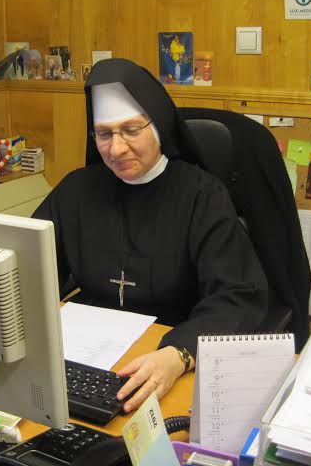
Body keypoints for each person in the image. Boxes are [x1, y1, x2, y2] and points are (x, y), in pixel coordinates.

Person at [32, 59, 268, 413]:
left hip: (173, 351)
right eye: (104, 134)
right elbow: (28, 268)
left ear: (158, 125)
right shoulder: (76, 191)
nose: (116, 149)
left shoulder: (202, 196)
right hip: (92, 359)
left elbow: (238, 296)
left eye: (130, 130)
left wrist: (179, 354)